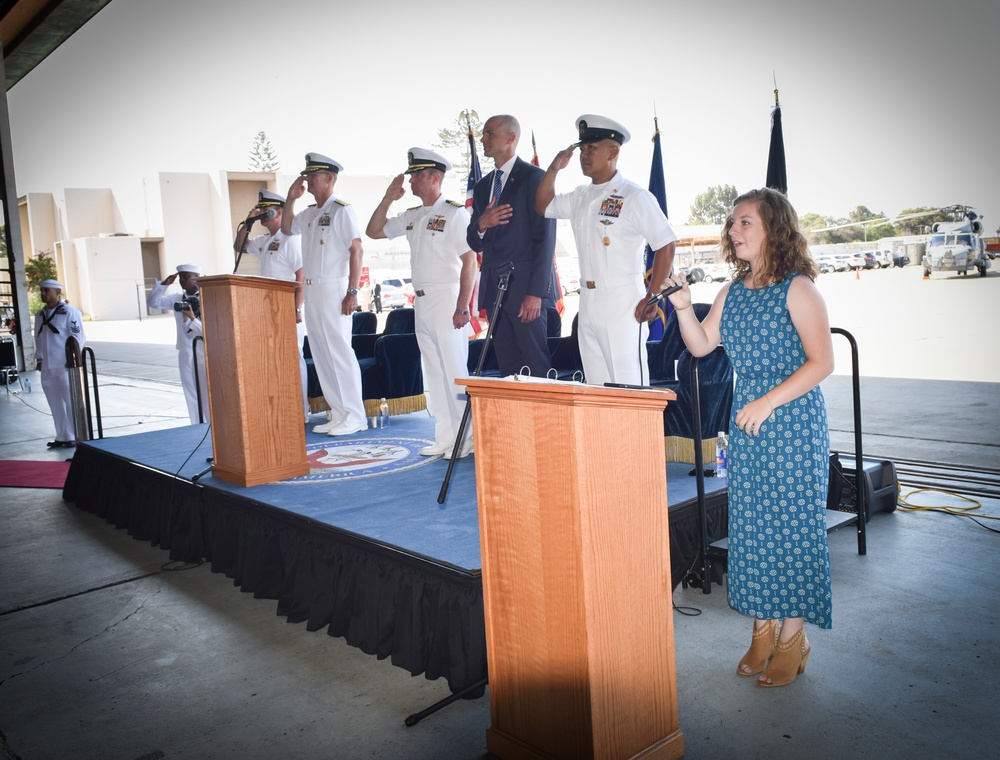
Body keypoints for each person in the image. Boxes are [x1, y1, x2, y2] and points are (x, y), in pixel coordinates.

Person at [664, 187, 834, 688]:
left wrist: (767, 400)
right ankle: (762, 632)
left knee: (794, 530)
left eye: (745, 223)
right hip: (749, 428)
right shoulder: (732, 291)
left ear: (773, 230)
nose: (733, 231)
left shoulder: (799, 288)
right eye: (732, 224)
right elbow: (700, 345)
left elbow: (823, 361)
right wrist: (680, 308)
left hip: (792, 423)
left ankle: (792, 639)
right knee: (754, 531)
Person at [536, 114, 677, 386]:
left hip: (622, 301)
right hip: (588, 301)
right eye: (583, 148)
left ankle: (637, 431)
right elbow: (541, 206)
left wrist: (653, 296)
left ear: (613, 151)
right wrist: (554, 167)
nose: (584, 154)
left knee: (629, 387)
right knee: (597, 387)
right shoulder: (579, 196)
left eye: (592, 147)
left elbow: (666, 244)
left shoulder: (634, 196)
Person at [366, 148, 477, 459]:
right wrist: (389, 198)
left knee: (454, 371)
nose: (411, 179)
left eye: (417, 174)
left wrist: (462, 306)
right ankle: (446, 436)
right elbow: (374, 231)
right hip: (423, 301)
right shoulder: (413, 216)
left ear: (435, 178)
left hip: (446, 298)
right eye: (412, 174)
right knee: (434, 370)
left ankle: (465, 438)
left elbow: (470, 261)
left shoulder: (454, 213)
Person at [281, 152, 367, 437]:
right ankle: (338, 412)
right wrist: (291, 198)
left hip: (334, 288)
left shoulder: (342, 210)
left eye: (312, 175)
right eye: (306, 175)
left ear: (329, 179)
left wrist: (353, 291)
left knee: (340, 352)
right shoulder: (307, 213)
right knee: (320, 352)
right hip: (313, 290)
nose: (307, 180)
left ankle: (355, 415)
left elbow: (356, 250)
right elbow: (285, 227)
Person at [466, 114, 557, 377]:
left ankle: (545, 419)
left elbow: (545, 239)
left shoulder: (535, 178)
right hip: (496, 291)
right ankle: (515, 420)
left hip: (526, 291)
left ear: (510, 138)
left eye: (489, 133)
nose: (483, 139)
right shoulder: (484, 187)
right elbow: (473, 240)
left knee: (535, 366)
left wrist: (536, 293)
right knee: (508, 369)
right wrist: (483, 223)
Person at [235, 188, 309, 419]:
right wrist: (248, 222)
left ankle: (301, 408)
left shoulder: (290, 240)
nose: (262, 217)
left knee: (292, 359)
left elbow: (301, 276)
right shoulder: (266, 241)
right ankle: (283, 405)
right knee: (273, 359)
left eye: (265, 212)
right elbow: (240, 247)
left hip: (287, 308)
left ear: (278, 212)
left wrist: (296, 308)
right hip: (268, 308)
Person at [147, 263, 210, 424]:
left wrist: (193, 320)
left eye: (186, 276)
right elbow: (153, 302)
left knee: (206, 393)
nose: (182, 280)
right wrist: (164, 285)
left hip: (203, 352)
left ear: (197, 278)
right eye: (180, 277)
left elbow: (208, 331)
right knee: (190, 393)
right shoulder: (177, 298)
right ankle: (196, 426)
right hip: (184, 352)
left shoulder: (208, 297)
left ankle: (210, 427)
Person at [34, 279, 86, 448]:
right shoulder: (40, 314)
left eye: (47, 290)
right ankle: (62, 436)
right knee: (54, 402)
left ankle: (74, 436)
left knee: (70, 402)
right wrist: (39, 358)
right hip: (48, 366)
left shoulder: (69, 312)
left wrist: (73, 360)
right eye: (42, 291)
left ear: (58, 292)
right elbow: (39, 338)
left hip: (65, 365)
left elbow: (78, 337)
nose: (43, 294)